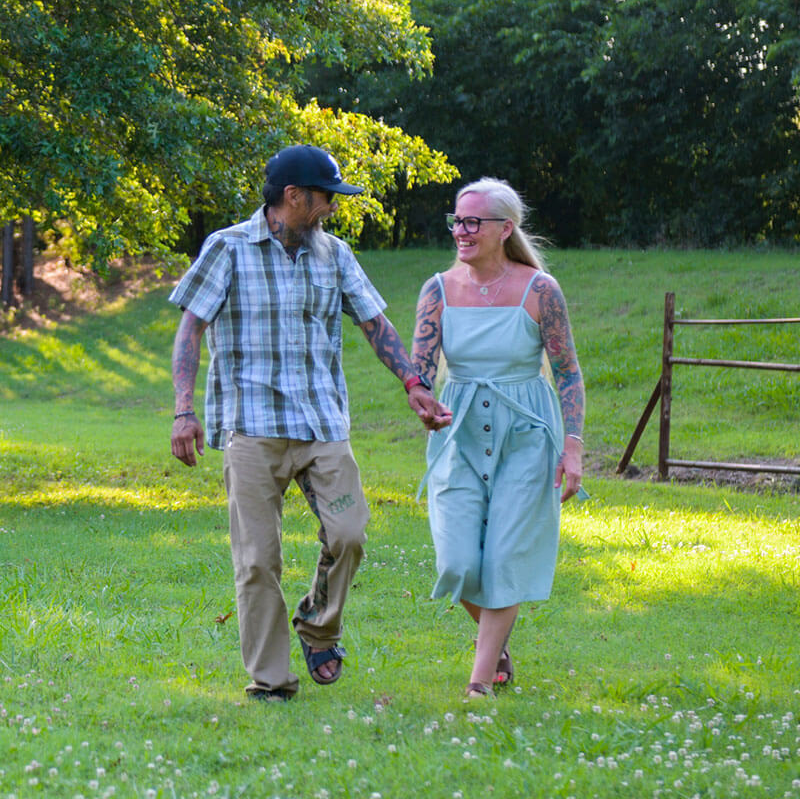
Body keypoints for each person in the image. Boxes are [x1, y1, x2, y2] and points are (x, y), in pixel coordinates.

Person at [169, 144, 451, 703]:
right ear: (292, 196)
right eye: (326, 197)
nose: (332, 208)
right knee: (257, 561)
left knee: (349, 534)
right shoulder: (226, 249)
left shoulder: (335, 254)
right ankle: (271, 682)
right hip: (251, 427)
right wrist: (183, 409)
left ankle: (318, 624)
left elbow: (374, 322)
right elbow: (191, 330)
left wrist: (414, 383)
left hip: (322, 423)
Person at [412, 177, 585, 698]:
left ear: (504, 229)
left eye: (472, 222)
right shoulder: (437, 289)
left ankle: (480, 682)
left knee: (506, 557)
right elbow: (419, 372)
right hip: (459, 430)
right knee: (458, 563)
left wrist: (572, 447)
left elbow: (568, 373)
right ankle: (496, 638)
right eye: (456, 221)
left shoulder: (540, 290)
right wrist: (423, 402)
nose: (460, 231)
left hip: (527, 432)